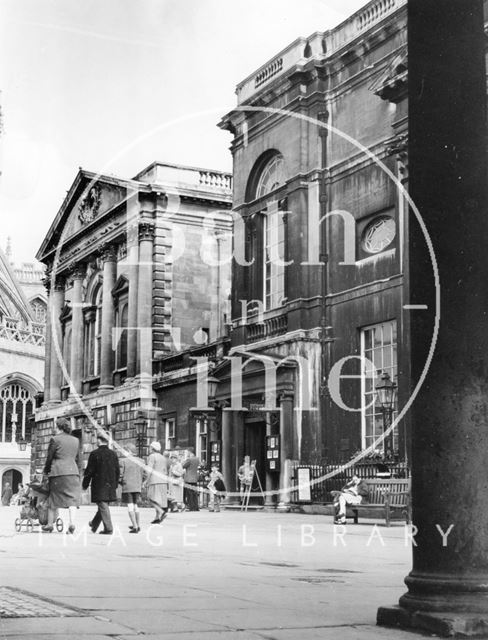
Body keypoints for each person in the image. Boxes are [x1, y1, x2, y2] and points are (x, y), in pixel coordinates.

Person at [42, 417, 81, 533]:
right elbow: (78, 458)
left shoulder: (55, 439)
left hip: (58, 472)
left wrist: (46, 471)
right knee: (72, 500)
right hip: (73, 472)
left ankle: (49, 524)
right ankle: (72, 523)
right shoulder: (76, 440)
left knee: (52, 498)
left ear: (58, 427)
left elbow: (50, 457)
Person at [82, 431, 120, 535]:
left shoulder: (94, 454)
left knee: (103, 505)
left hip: (99, 484)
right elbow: (117, 470)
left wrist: (85, 484)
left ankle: (109, 528)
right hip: (110, 484)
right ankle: (94, 524)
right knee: (103, 505)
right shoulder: (113, 454)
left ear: (99, 440)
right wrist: (115, 484)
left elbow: (89, 471)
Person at [119, 442, 145, 533]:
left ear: (129, 451)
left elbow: (120, 475)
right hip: (137, 486)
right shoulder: (142, 461)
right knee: (135, 505)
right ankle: (138, 525)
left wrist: (121, 482)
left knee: (130, 506)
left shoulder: (123, 461)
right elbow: (144, 474)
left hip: (128, 486)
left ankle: (134, 527)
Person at [144, 442, 169, 524]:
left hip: (154, 480)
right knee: (158, 499)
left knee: (150, 498)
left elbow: (149, 470)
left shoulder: (152, 456)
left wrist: (146, 481)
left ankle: (161, 512)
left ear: (152, 448)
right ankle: (157, 517)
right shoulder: (163, 457)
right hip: (163, 480)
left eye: (150, 447)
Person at [182, 447, 200, 511]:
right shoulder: (197, 459)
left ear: (190, 452)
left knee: (189, 494)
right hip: (195, 478)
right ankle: (196, 507)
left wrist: (185, 458)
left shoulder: (189, 459)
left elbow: (183, 465)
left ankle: (191, 507)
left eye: (187, 452)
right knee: (194, 494)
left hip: (189, 479)